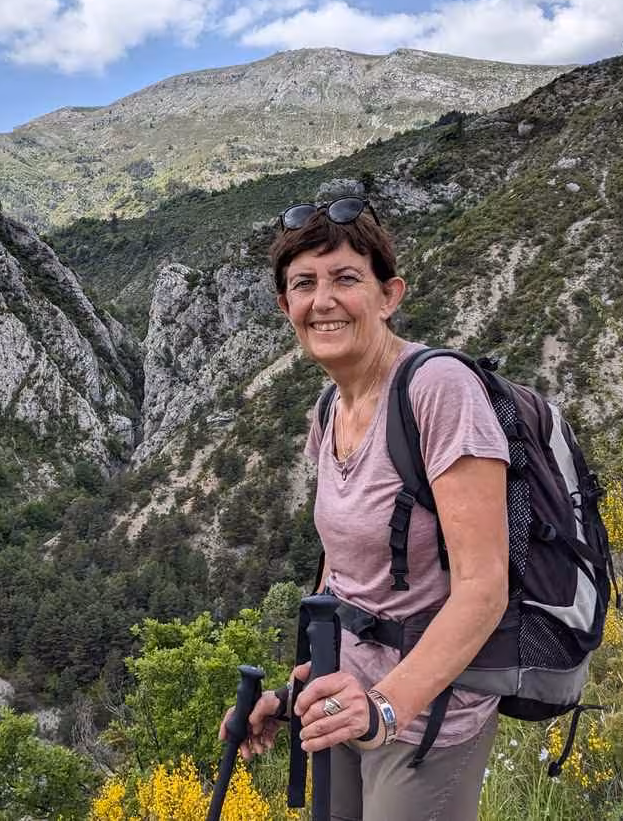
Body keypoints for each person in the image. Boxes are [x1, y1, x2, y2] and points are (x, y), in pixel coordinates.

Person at [220, 196, 510, 821]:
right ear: (285, 307)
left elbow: (485, 590)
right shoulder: (327, 409)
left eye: (346, 278)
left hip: (426, 715)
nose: (322, 301)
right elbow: (345, 581)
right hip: (340, 701)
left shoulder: (438, 392)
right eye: (304, 285)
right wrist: (294, 687)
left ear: (389, 294)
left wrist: (383, 707)